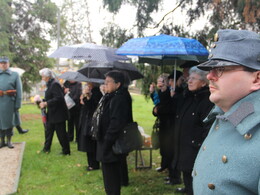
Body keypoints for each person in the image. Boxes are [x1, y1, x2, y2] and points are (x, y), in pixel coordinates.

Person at [193, 29, 260, 194]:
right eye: (210, 69)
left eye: (221, 68)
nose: (210, 76)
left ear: (256, 78)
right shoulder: (227, 114)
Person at [174, 67, 214, 195]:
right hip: (184, 146)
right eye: (189, 78)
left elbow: (207, 128)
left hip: (195, 148)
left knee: (195, 180)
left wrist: (198, 144)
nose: (189, 81)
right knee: (186, 174)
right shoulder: (188, 96)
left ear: (203, 83)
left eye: (193, 79)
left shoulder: (207, 100)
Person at [95, 70, 132, 195]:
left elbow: (115, 124)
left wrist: (106, 143)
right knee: (109, 177)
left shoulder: (119, 99)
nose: (105, 85)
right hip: (108, 142)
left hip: (111, 144)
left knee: (111, 179)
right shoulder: (111, 96)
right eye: (104, 82)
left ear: (118, 84)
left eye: (108, 82)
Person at [39, 68, 70, 155]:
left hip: (59, 114)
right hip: (52, 113)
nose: (42, 78)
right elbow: (50, 96)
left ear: (48, 76)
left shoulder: (55, 84)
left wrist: (46, 103)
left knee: (61, 134)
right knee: (48, 131)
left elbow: (59, 98)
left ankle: (66, 151)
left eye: (43, 76)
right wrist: (42, 101)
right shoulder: (50, 84)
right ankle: (46, 149)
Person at [78, 82, 102, 171]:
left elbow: (93, 107)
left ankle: (94, 164)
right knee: (88, 143)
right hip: (87, 120)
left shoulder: (97, 93)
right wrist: (84, 98)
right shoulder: (91, 92)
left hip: (91, 121)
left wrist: (87, 98)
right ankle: (90, 163)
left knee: (92, 144)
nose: (87, 84)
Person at [0, 56, 22, 148]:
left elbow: (19, 90)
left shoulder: (15, 75)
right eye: (2, 63)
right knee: (0, 123)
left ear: (8, 64)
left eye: (5, 63)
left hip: (10, 102)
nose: (3, 65)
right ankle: (2, 141)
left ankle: (9, 141)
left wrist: (17, 104)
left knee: (10, 122)